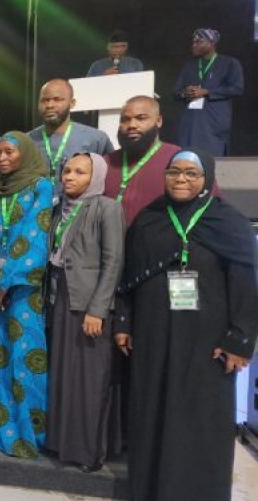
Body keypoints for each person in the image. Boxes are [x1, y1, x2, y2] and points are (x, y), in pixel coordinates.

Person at [115, 149, 257, 501]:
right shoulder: (149, 219)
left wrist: (239, 340)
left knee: (199, 418)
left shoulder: (228, 222)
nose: (181, 179)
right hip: (152, 334)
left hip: (207, 341)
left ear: (206, 179)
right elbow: (128, 277)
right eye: (174, 172)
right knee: (152, 410)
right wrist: (123, 322)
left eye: (191, 174)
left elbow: (245, 284)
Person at [44, 153, 124, 473]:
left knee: (89, 381)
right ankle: (61, 443)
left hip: (89, 304)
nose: (70, 177)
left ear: (96, 177)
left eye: (80, 172)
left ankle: (88, 452)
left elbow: (113, 261)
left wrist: (98, 309)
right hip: (60, 296)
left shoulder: (107, 207)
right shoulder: (58, 207)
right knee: (64, 375)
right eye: (67, 171)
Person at [0, 131, 53, 459]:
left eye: (10, 152)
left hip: (23, 291)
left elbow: (35, 238)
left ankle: (30, 433)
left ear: (26, 154)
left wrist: (6, 283)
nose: (3, 158)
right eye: (0, 153)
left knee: (25, 361)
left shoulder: (41, 186)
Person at [104, 96, 183, 226]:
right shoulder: (107, 161)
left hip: (155, 242)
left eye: (141, 118)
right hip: (109, 243)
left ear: (158, 121)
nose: (132, 125)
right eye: (125, 120)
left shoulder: (178, 158)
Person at [29, 79, 113, 197]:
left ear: (72, 103)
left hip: (78, 211)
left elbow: (109, 181)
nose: (49, 105)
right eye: (44, 100)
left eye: (57, 99)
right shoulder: (26, 141)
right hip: (35, 212)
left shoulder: (96, 138)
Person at [172, 28, 245, 156]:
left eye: (199, 42)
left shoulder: (229, 63)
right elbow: (176, 92)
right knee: (189, 156)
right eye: (193, 42)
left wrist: (207, 92)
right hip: (190, 121)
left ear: (212, 43)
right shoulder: (190, 65)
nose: (194, 45)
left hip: (213, 121)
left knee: (212, 158)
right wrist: (185, 93)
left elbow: (237, 88)